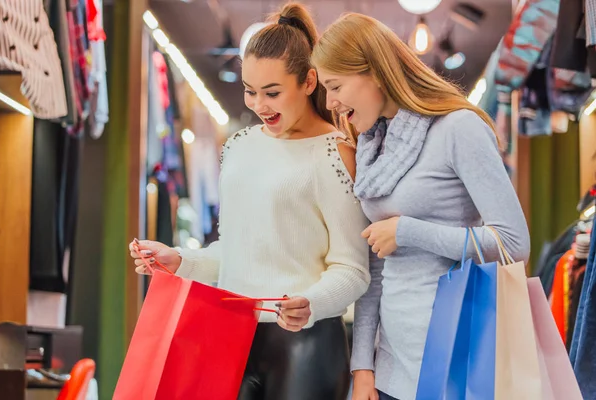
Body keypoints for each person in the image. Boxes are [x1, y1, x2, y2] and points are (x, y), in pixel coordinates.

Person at [130, 3, 370, 400]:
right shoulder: (238, 147)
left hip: (305, 347)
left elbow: (353, 268)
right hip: (228, 337)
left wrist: (311, 302)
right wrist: (181, 260)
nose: (259, 106)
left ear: (309, 82)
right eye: (250, 91)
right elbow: (236, 251)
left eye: (272, 92)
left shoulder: (334, 153)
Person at [312, 13, 531, 400]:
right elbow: (375, 269)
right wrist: (363, 366)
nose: (330, 102)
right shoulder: (373, 149)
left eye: (335, 86)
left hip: (456, 361)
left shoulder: (458, 128)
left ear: (375, 72)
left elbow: (513, 243)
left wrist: (408, 231)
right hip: (393, 369)